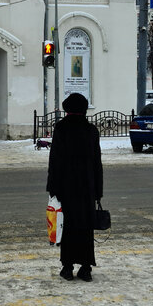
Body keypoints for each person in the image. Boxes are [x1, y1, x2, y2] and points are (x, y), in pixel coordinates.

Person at [46, 92, 103, 282]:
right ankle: (86, 268)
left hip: (66, 187)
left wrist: (53, 187)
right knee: (86, 228)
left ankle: (67, 267)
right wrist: (98, 191)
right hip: (87, 187)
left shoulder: (61, 128)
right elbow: (97, 163)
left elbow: (55, 160)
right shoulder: (91, 131)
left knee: (67, 226)